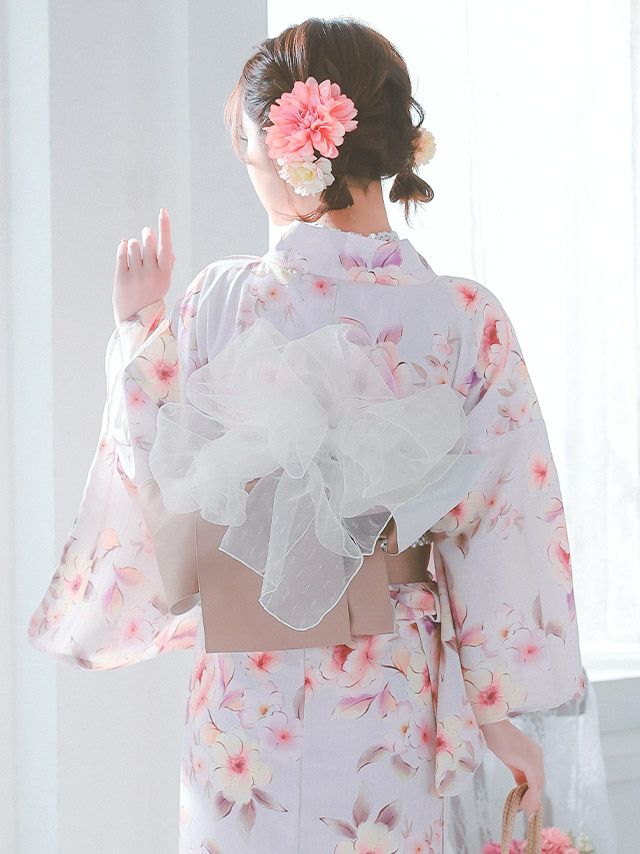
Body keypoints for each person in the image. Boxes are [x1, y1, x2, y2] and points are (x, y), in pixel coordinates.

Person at [27, 16, 584, 853]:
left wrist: (137, 329)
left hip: (247, 685)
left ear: (290, 150)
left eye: (248, 147)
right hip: (389, 684)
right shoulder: (466, 319)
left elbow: (158, 462)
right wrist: (497, 713)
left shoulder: (221, 299)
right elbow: (505, 522)